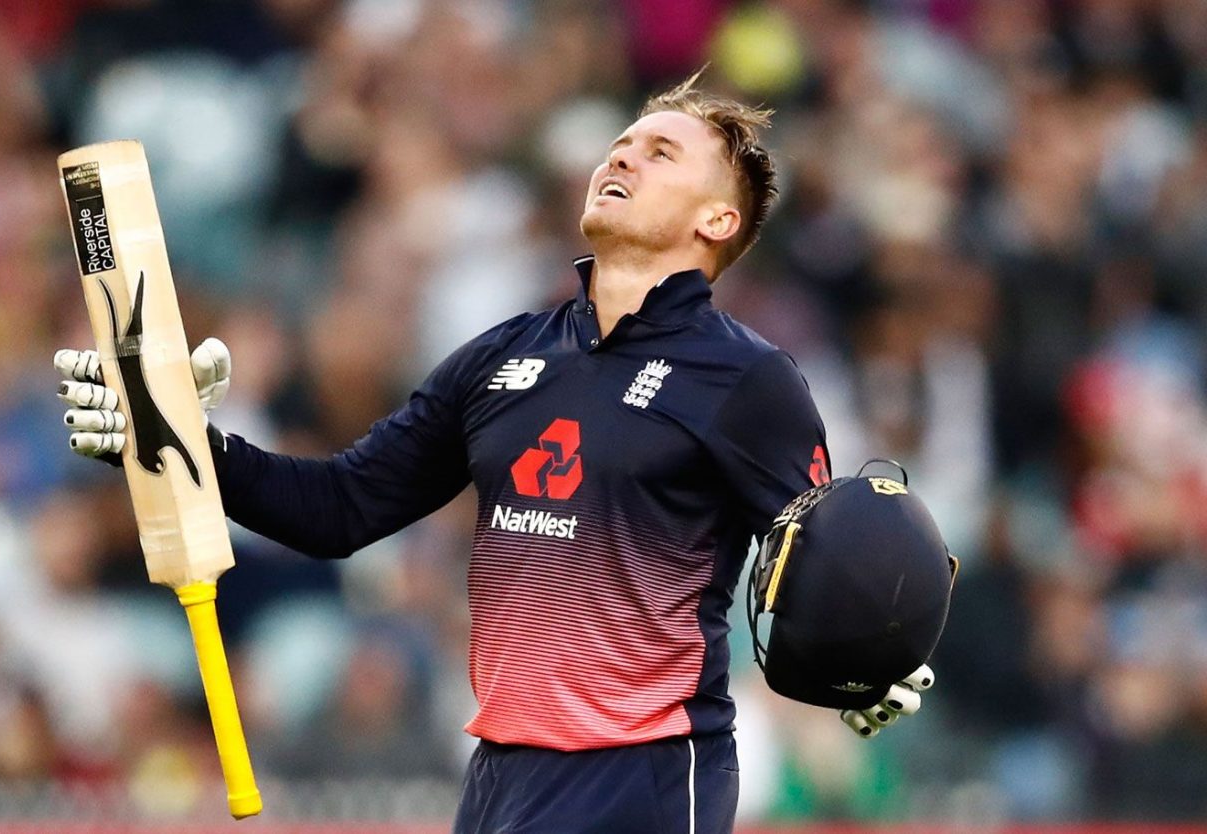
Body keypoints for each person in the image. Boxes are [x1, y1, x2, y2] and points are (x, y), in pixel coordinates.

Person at [54, 76, 934, 833]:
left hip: (644, 773)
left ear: (718, 219)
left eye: (661, 152)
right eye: (621, 144)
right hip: (501, 778)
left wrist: (872, 653)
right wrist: (177, 438)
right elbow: (338, 510)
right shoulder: (502, 357)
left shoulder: (748, 380)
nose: (620, 157)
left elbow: (831, 556)